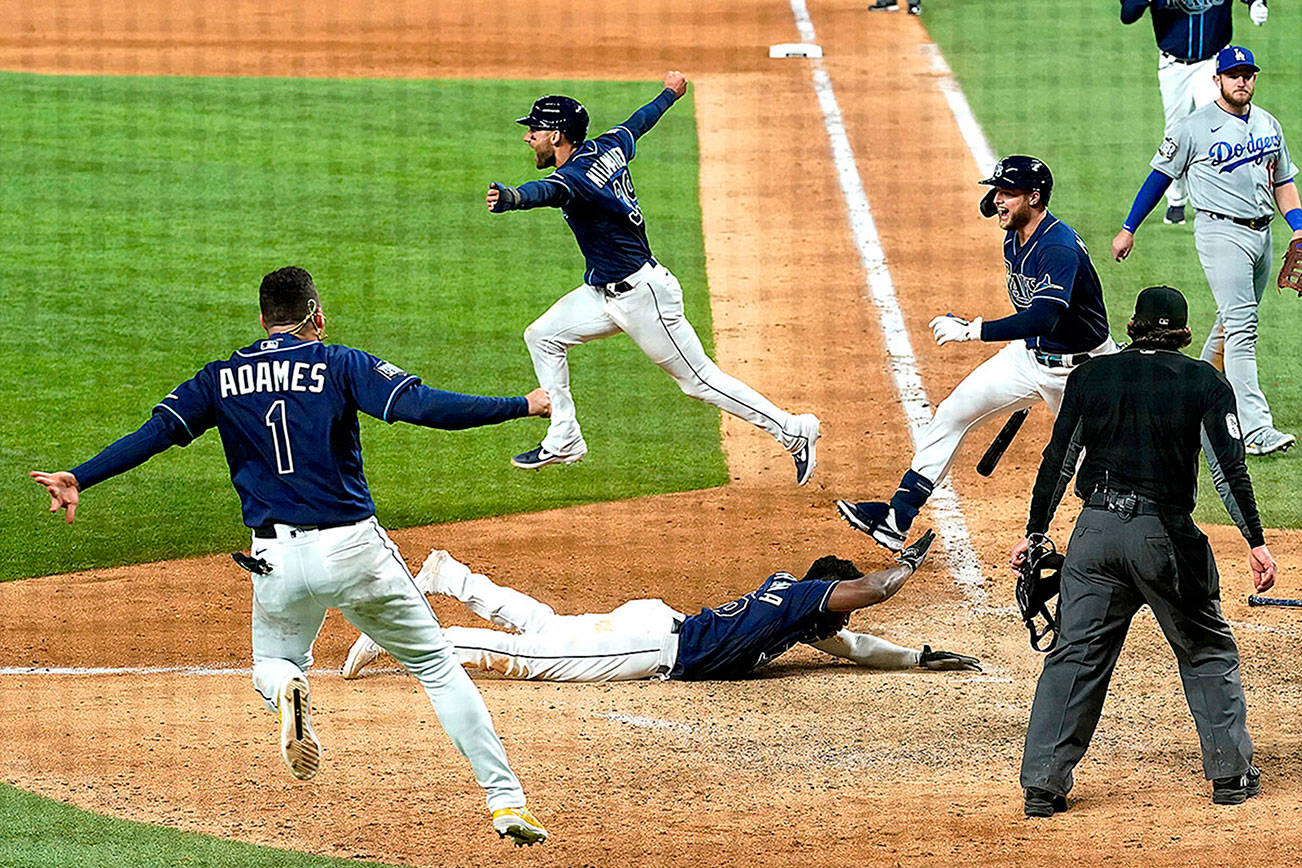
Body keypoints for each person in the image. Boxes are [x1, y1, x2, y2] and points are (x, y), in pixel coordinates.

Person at [29, 266, 552, 846]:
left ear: (261, 319)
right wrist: (521, 405)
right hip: (354, 551)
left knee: (273, 662)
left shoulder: (220, 377)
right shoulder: (340, 363)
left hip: (272, 558)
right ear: (317, 316)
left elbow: (154, 434)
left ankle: (285, 690)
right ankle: (506, 803)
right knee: (435, 667)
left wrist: (80, 476)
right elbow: (424, 407)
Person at [1012, 285, 1276, 817]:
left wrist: (1035, 530)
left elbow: (1058, 460)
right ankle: (1229, 775)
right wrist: (1256, 541)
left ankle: (1043, 784)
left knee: (1076, 655)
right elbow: (1229, 470)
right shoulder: (1204, 382)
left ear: (1133, 327)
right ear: (1182, 332)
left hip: (1095, 535)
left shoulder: (1092, 376)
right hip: (1164, 540)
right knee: (1206, 650)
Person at [485, 70, 822, 484]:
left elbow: (546, 192)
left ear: (556, 136)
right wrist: (669, 94)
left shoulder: (572, 180)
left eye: (534, 130)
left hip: (644, 298)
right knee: (542, 335)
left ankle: (793, 430)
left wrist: (513, 198)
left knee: (701, 381)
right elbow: (637, 123)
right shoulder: (607, 147)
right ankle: (564, 437)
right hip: (604, 293)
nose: (528, 138)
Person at [836, 156, 1115, 551]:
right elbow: (1036, 327)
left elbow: (1044, 318)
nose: (997, 200)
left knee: (1099, 465)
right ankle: (897, 517)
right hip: (1031, 358)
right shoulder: (1014, 234)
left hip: (1082, 372)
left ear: (1034, 198)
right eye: (996, 191)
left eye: (1007, 193)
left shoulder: (1057, 247)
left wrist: (974, 331)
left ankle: (1130, 539)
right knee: (954, 412)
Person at [339, 532, 982, 683]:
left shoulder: (796, 609)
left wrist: (921, 657)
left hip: (655, 621)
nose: (842, 623)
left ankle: (452, 576)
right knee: (534, 658)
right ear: (828, 597)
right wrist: (908, 564)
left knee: (548, 628)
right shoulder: (808, 600)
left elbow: (856, 647)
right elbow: (868, 593)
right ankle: (402, 634)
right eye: (838, 611)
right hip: (656, 647)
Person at [1113, 45, 1302, 457]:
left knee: (1229, 322)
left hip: (1262, 235)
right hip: (1221, 235)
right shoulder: (1193, 127)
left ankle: (1189, 397)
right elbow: (1158, 178)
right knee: (1242, 326)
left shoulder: (1269, 124)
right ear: (1217, 79)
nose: (1242, 81)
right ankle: (1256, 430)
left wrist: (1298, 227)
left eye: (1248, 74)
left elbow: (1283, 181)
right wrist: (1129, 228)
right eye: (1234, 75)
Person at [1119, 0, 1269, 225]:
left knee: (1219, 127)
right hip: (1173, 67)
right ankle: (1176, 200)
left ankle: (1224, 203)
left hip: (1214, 63)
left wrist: (1257, 2)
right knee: (1176, 134)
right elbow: (1128, 14)